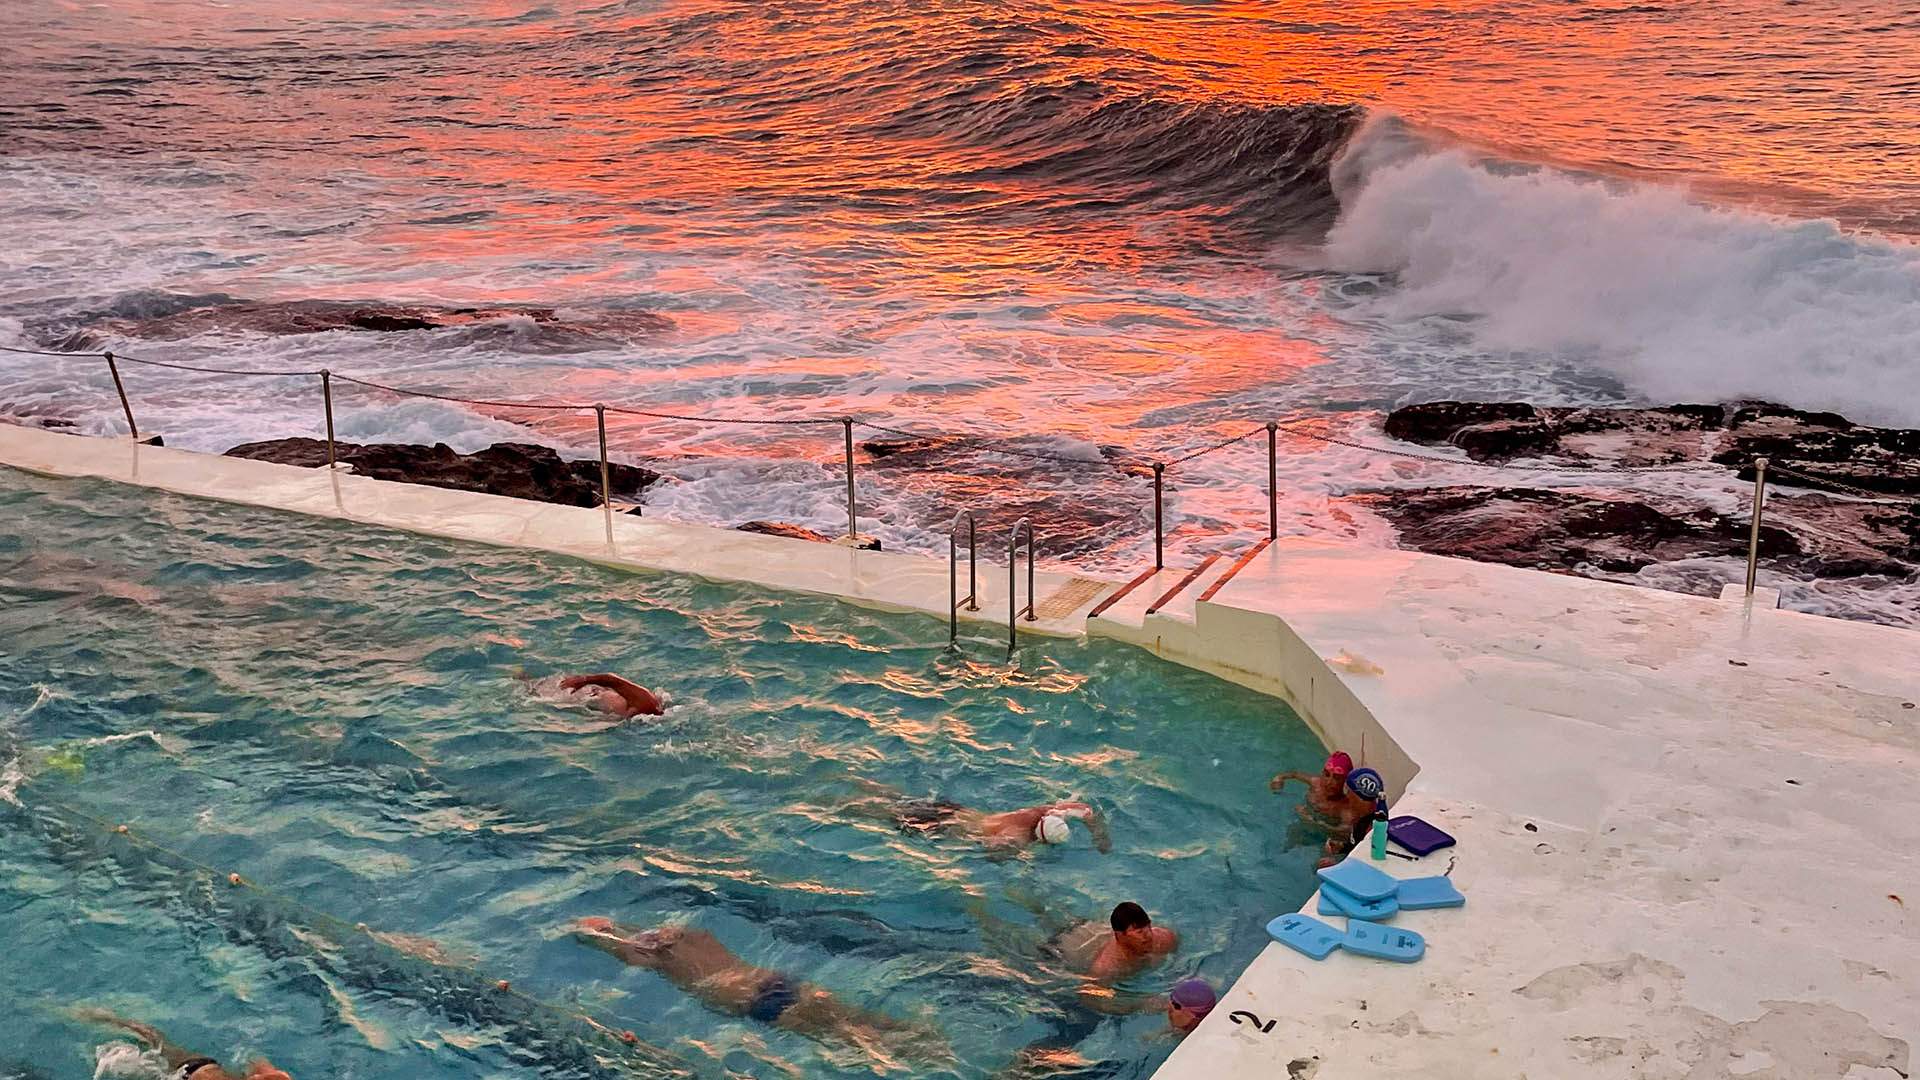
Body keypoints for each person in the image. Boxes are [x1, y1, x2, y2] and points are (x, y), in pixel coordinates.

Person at [570, 918, 949, 1066]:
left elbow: (606, 943)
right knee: (856, 1019)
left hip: (756, 1004)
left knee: (848, 1037)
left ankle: (927, 1059)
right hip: (776, 981)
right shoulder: (690, 935)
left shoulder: (649, 958)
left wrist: (584, 935)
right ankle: (929, 1042)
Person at [846, 782, 1113, 852]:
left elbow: (1084, 809)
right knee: (880, 813)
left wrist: (1099, 836)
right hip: (942, 826)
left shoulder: (1041, 811)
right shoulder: (1017, 837)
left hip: (955, 810)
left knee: (899, 799)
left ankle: (851, 780)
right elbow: (992, 853)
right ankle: (836, 804)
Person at [76, 1011, 291, 1080]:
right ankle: (96, 1016)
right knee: (148, 1042)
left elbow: (259, 1067)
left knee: (152, 1037)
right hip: (191, 1071)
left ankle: (98, 1016)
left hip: (202, 1066)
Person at [1271, 751, 1373, 864]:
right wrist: (1279, 778)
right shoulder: (1316, 783)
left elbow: (1346, 833)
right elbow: (1295, 774)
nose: (1329, 782)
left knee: (1321, 865)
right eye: (1327, 774)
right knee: (1285, 846)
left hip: (1327, 838)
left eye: (1337, 778)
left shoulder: (1345, 808)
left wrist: (1314, 822)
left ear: (1346, 782)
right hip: (1306, 827)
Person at [555, 672, 663, 718]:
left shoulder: (651, 709)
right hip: (593, 695)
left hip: (603, 706)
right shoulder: (646, 701)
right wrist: (584, 680)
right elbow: (611, 679)